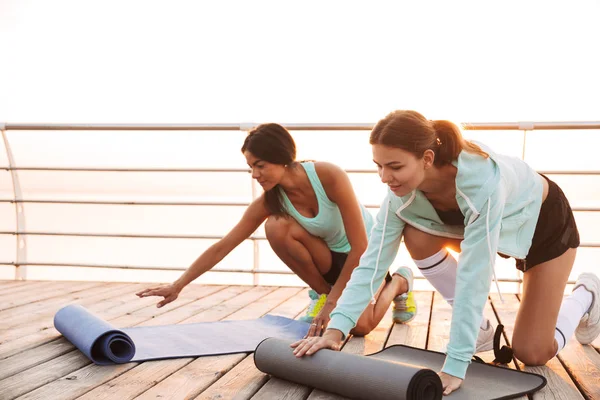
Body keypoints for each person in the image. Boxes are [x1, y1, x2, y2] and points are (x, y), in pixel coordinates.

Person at [291, 110, 600, 396]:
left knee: (532, 353)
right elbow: (371, 264)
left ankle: (587, 294)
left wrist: (456, 363)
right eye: (379, 166)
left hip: (543, 224)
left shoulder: (482, 183)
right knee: (416, 234)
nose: (385, 177)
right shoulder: (398, 197)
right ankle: (479, 329)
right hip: (490, 225)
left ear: (427, 158)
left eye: (395, 166)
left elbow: (474, 273)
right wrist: (335, 331)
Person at [136, 123, 417, 337]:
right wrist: (178, 284)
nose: (255, 175)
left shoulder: (328, 175)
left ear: (282, 158)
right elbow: (226, 244)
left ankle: (399, 282)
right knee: (276, 227)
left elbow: (361, 248)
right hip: (328, 257)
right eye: (250, 168)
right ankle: (321, 294)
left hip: (364, 255)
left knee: (361, 328)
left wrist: (335, 304)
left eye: (260, 166)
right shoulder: (271, 200)